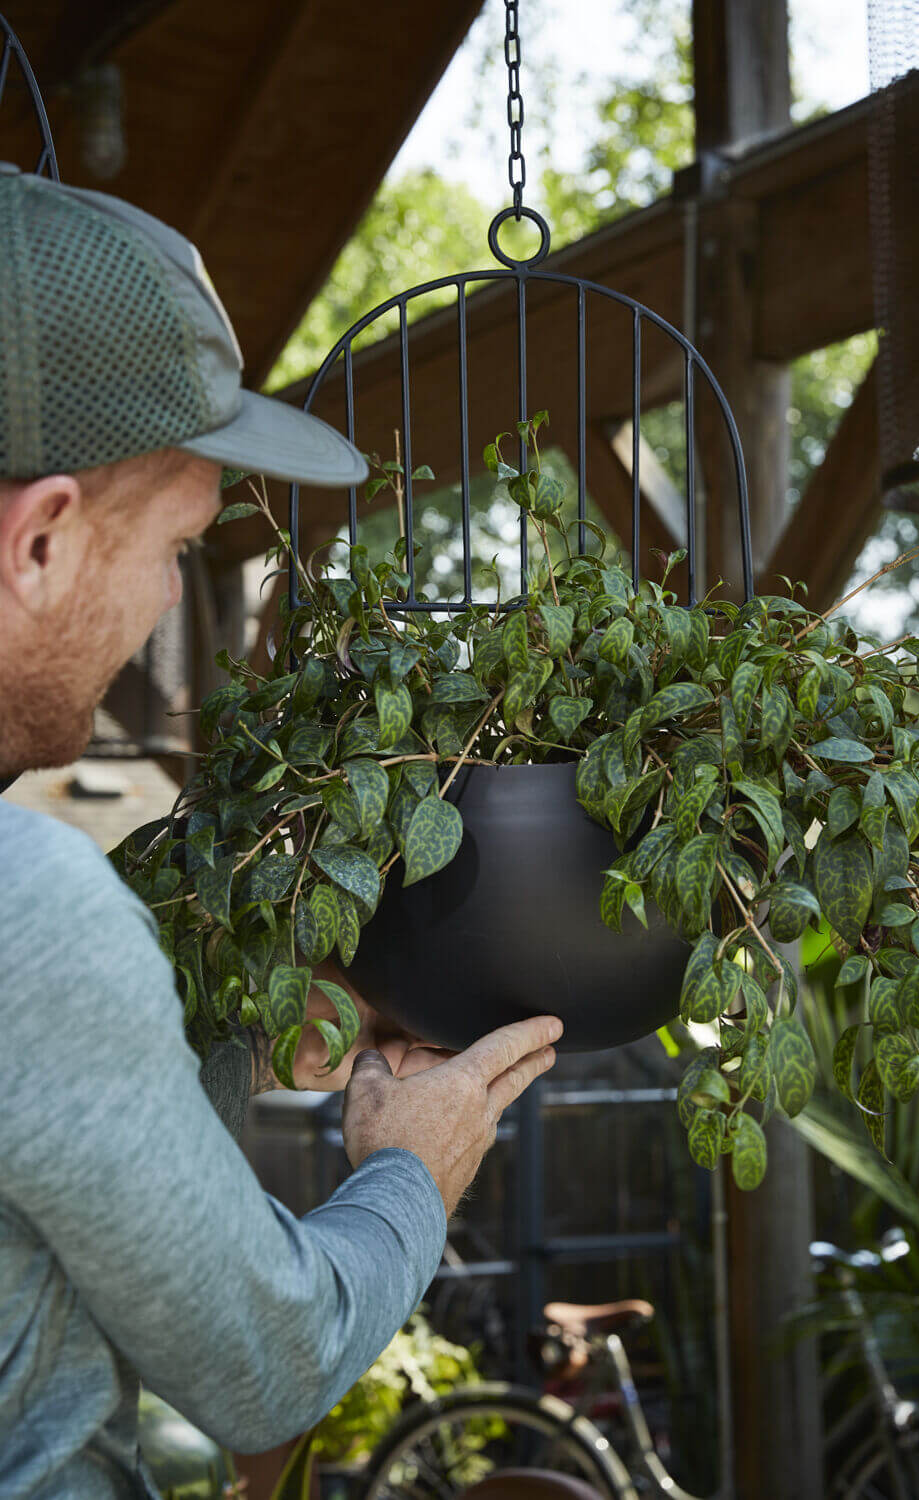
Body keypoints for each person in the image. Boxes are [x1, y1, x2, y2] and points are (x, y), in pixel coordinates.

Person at [0, 162, 562, 1498]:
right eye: (179, 548)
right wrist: (411, 1173)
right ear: (41, 544)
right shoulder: (32, 906)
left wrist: (244, 1028)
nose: (159, 612)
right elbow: (265, 1363)